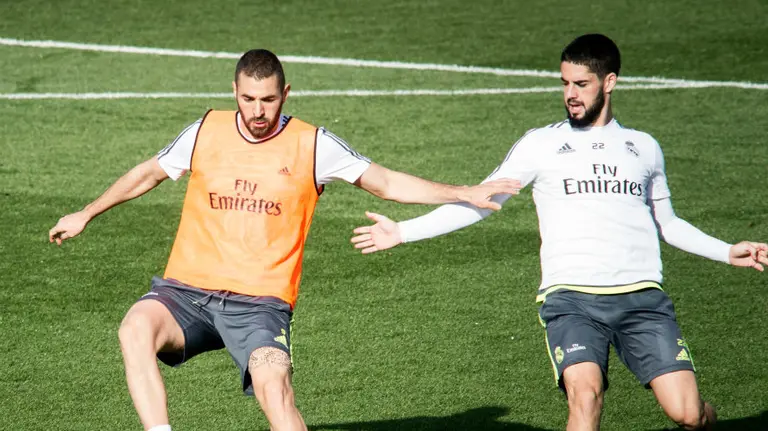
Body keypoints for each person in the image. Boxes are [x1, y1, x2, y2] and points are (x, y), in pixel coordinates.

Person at [48, 49, 520, 431]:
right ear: (234, 91)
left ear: (285, 93)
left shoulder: (313, 144)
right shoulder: (205, 130)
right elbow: (149, 173)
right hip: (186, 294)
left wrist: (463, 191)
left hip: (259, 306)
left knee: (274, 387)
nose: (257, 111)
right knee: (134, 329)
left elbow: (388, 183)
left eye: (268, 100)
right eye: (249, 98)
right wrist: (87, 212)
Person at [350, 34, 768, 431]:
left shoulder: (644, 147)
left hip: (642, 298)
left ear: (610, 82)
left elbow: (668, 223)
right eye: (565, 83)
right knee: (584, 398)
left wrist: (726, 251)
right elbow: (482, 201)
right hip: (571, 299)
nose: (571, 93)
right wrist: (403, 231)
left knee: (689, 414)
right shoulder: (540, 145)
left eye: (582, 84)